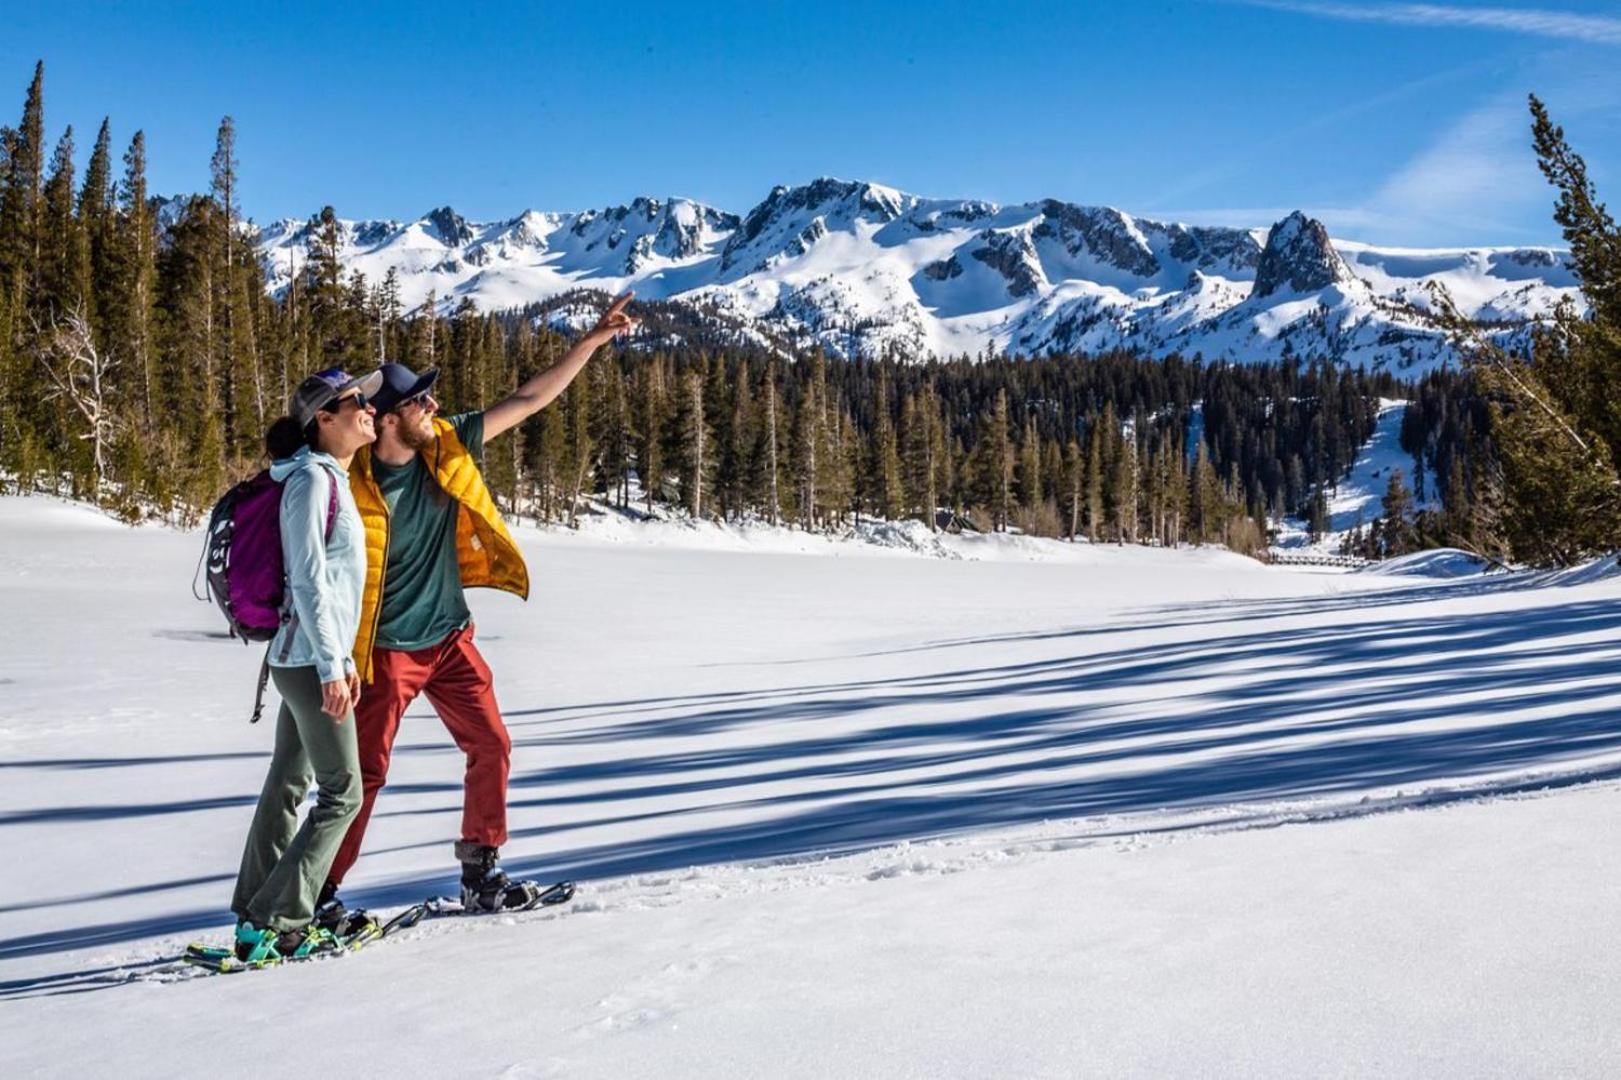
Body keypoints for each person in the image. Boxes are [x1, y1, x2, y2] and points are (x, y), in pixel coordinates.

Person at [314, 293, 638, 933]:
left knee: (491, 745)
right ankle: (318, 890)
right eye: (417, 402)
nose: (432, 407)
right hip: (385, 651)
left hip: (450, 640)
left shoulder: (446, 444)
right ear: (382, 421)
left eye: (430, 399)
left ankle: (481, 873)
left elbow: (528, 400)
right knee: (365, 774)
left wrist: (592, 341)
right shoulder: (346, 481)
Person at [229, 367, 382, 962]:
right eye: (356, 402)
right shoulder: (313, 482)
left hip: (307, 657)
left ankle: (252, 915)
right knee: (344, 792)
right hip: (308, 661)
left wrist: (335, 657)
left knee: (289, 784)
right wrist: (331, 665)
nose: (369, 408)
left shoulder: (328, 478)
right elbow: (311, 581)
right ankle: (282, 916)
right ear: (324, 418)